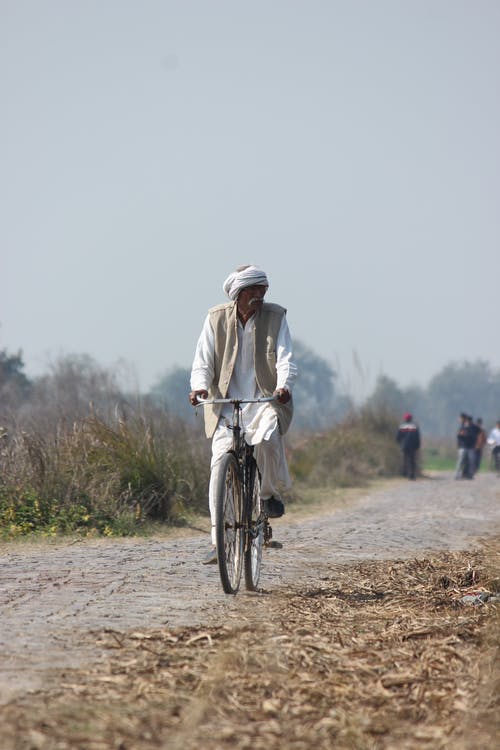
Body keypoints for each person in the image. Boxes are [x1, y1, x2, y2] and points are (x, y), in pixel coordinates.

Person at [189, 264, 298, 564]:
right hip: (226, 403)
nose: (259, 296)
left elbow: (285, 357)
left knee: (267, 439)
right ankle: (217, 541)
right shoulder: (216, 319)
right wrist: (199, 388)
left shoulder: (276, 317)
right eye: (253, 290)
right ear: (238, 293)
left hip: (264, 399)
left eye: (262, 290)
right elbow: (203, 361)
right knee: (218, 466)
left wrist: (283, 385)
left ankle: (266, 495)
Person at [396, 412, 421, 480]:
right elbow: (417, 438)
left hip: (404, 445)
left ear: (405, 419)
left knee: (404, 460)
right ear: (411, 419)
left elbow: (398, 437)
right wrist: (417, 446)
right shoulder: (414, 426)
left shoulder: (401, 426)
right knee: (412, 461)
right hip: (412, 446)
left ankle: (404, 473)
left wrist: (400, 443)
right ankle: (412, 474)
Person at [455, 414, 476, 479]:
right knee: (460, 461)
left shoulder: (472, 428)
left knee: (471, 461)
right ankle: (457, 475)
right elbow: (458, 436)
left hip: (470, 447)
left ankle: (470, 475)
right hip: (463, 446)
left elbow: (473, 436)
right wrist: (460, 434)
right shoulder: (462, 427)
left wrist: (466, 435)